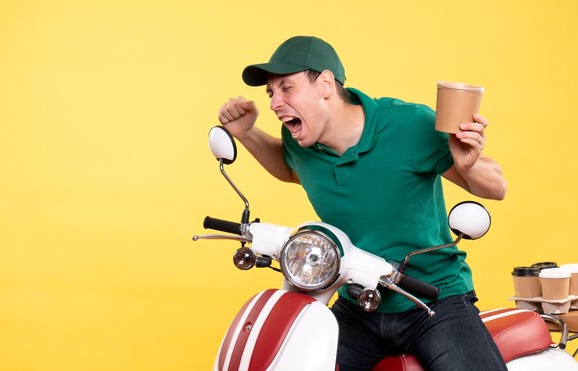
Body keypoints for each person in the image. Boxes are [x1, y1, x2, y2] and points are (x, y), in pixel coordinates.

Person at [217, 35, 508, 371]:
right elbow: (289, 168)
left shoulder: (409, 125)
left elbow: (496, 187)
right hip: (360, 305)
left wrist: (468, 164)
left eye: (286, 88)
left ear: (325, 83)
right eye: (270, 93)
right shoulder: (299, 143)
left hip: (434, 300)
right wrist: (246, 132)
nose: (273, 103)